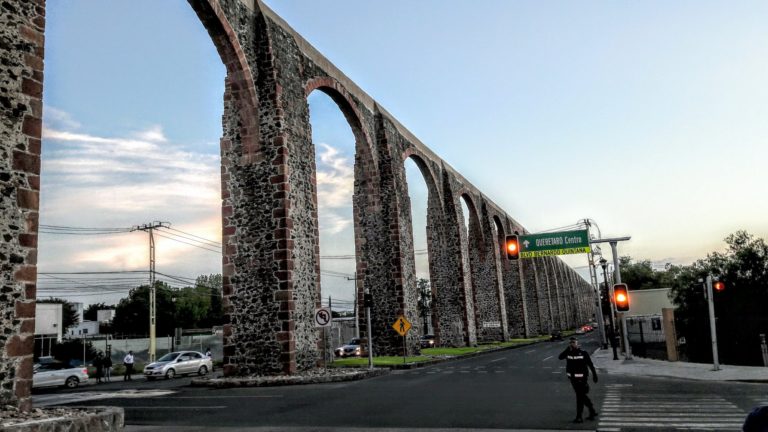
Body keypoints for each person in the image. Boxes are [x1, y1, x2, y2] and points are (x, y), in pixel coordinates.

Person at [558, 337, 598, 423]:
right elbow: (560, 357)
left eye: (573, 342)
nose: (572, 344)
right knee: (582, 395)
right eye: (570, 343)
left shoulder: (583, 353)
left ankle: (579, 417)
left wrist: (595, 375)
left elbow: (590, 365)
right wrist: (567, 349)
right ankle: (592, 411)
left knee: (580, 397)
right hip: (573, 379)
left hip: (582, 379)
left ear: (577, 344)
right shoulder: (568, 352)